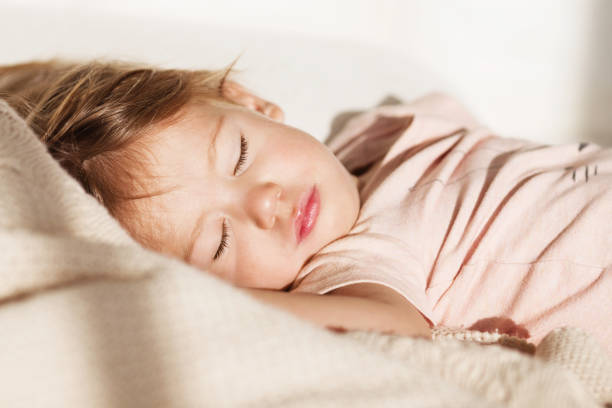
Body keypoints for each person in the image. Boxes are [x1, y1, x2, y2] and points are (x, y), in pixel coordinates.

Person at [1, 59, 610, 352]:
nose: (264, 204)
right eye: (218, 243)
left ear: (252, 103)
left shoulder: (382, 134)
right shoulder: (348, 262)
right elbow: (393, 325)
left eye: (239, 155)